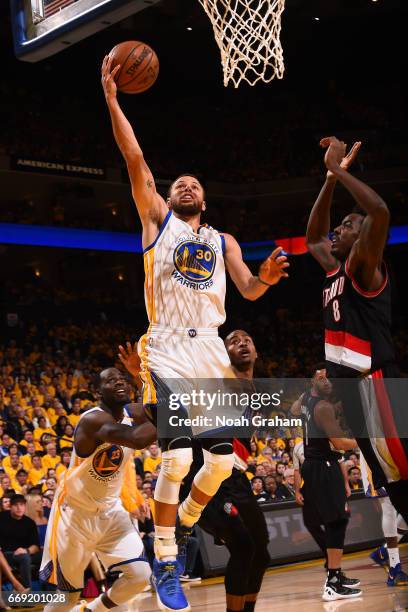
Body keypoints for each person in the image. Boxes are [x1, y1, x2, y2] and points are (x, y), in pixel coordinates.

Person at [102, 55, 289, 612]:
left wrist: (268, 280)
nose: (184, 185)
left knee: (224, 460)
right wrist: (113, 100)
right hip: (165, 343)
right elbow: (135, 159)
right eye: (177, 181)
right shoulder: (156, 222)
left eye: (194, 183)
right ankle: (165, 558)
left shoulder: (224, 240)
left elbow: (249, 291)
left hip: (211, 344)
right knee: (178, 459)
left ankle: (182, 528)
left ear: (204, 200)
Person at [120, 330, 271, 612]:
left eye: (247, 339)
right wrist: (139, 376)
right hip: (204, 476)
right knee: (243, 546)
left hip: (236, 479)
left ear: (257, 351)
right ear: (219, 355)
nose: (242, 343)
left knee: (261, 552)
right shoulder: (209, 384)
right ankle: (177, 534)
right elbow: (155, 412)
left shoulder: (255, 391)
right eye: (233, 341)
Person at [306, 136, 408, 522]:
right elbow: (313, 238)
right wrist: (331, 180)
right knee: (391, 480)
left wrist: (336, 170)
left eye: (346, 226)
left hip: (376, 383)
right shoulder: (334, 269)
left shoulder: (363, 267)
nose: (337, 229)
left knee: (403, 472)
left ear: (362, 238)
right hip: (355, 393)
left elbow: (379, 210)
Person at [39, 367, 156, 612]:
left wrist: (140, 375)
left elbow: (154, 406)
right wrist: (172, 416)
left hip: (110, 511)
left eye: (122, 379)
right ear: (97, 391)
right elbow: (137, 438)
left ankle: (92, 610)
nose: (119, 382)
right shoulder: (93, 419)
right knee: (67, 597)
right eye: (111, 381)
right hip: (75, 515)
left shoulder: (131, 412)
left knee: (140, 576)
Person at [293, 370, 361, 601]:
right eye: (322, 378)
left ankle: (336, 574)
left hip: (313, 465)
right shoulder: (323, 407)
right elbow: (340, 442)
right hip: (324, 465)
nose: (327, 382)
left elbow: (293, 410)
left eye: (329, 378)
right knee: (337, 521)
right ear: (313, 380)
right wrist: (364, 442)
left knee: (335, 520)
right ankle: (333, 580)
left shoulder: (305, 399)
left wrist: (309, 389)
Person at [0, 494, 41, 589]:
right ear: (10, 506)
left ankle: (52, 589)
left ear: (25, 506)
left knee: (49, 555)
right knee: (24, 558)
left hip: (25, 551)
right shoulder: (2, 518)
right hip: (6, 553)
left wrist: (26, 550)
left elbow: (36, 545)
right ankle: (26, 592)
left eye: (22, 505)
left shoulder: (29, 522)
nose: (19, 508)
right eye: (16, 505)